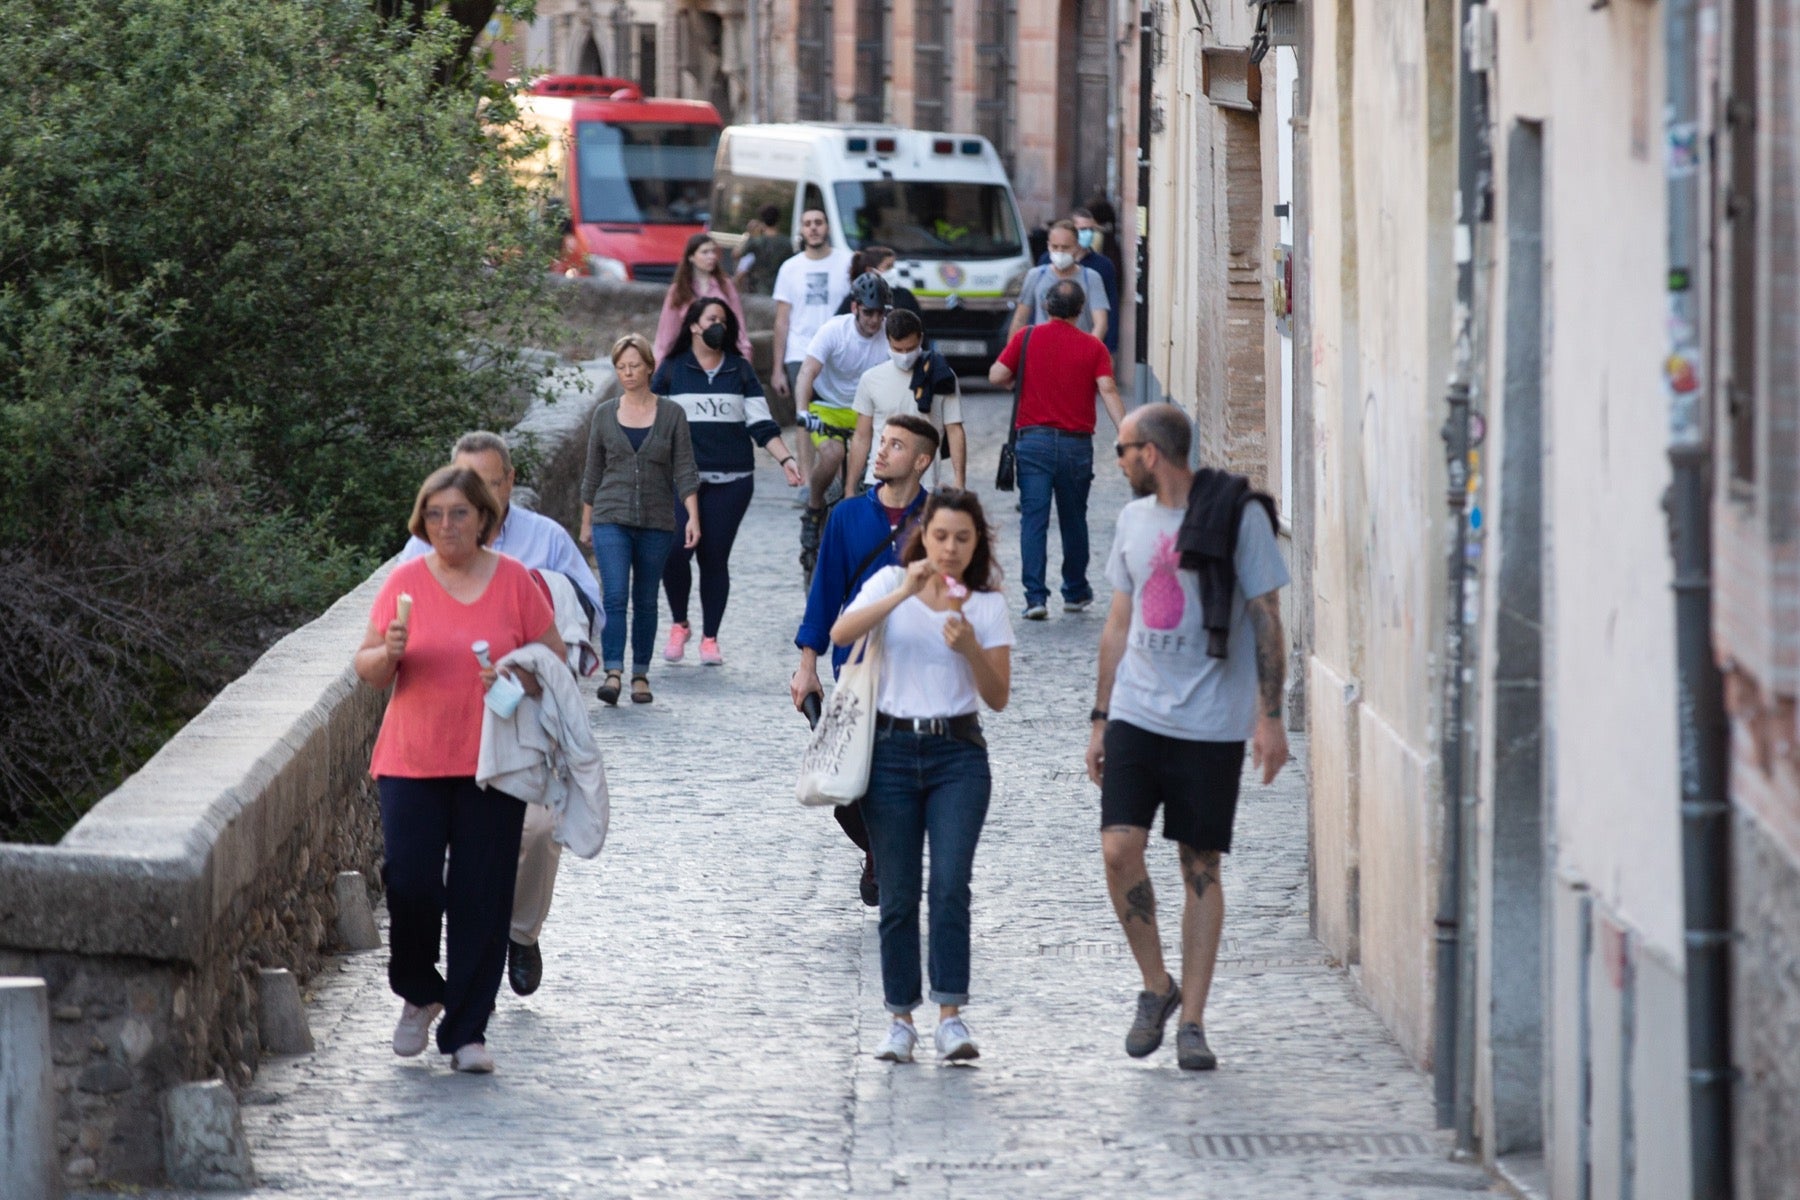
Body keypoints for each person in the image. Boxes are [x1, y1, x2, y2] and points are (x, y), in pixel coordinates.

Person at [1084, 404, 1290, 1072]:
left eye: (1121, 449)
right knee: (1120, 849)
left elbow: (1265, 615)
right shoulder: (1132, 521)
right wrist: (1099, 715)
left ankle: (1193, 1022)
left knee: (1200, 866)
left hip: (1211, 723)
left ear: (1150, 453)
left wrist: (1270, 716)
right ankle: (1157, 985)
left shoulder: (1239, 516)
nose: (1116, 461)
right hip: (1139, 714)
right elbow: (1118, 620)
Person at [354, 465, 566, 1074]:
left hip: (493, 764)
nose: (446, 525)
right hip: (412, 758)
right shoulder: (406, 582)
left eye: (459, 514)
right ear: (423, 521)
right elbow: (366, 668)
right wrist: (388, 653)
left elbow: (552, 663)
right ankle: (421, 990)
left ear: (485, 520)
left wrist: (515, 676)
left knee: (482, 895)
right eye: (435, 515)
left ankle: (468, 1030)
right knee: (411, 884)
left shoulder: (516, 583)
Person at [397, 432, 599, 999]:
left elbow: (585, 613)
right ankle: (449, 989)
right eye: (460, 481)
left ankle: (521, 932)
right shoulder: (425, 545)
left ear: (508, 482)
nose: (470, 494)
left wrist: (536, 626)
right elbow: (396, 613)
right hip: (446, 722)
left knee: (536, 830)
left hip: (525, 716)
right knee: (444, 852)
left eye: (484, 481)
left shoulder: (544, 542)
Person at [829, 489, 1013, 1064]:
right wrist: (904, 591)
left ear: (977, 541)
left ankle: (951, 1018)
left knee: (951, 885)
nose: (951, 548)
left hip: (957, 755)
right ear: (923, 535)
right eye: (941, 536)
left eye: (963, 537)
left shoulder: (984, 603)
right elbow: (841, 633)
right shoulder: (890, 584)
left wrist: (971, 649)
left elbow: (998, 696)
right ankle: (900, 1019)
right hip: (889, 752)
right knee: (899, 892)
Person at [791, 414, 940, 906]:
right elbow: (825, 593)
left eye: (895, 446)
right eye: (882, 443)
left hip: (920, 673)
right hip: (855, 667)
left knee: (899, 775)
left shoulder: (939, 521)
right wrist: (807, 663)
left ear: (921, 461)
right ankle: (881, 849)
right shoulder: (847, 517)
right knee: (850, 783)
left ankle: (887, 854)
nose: (880, 452)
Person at [656, 297, 805, 664]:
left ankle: (710, 638)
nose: (717, 325)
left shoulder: (739, 370)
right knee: (675, 551)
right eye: (711, 319)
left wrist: (786, 459)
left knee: (713, 557)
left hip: (732, 481)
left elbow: (761, 423)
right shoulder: (673, 370)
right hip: (680, 480)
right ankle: (679, 623)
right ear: (693, 325)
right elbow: (649, 419)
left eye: (723, 320)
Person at [989, 279, 1127, 620]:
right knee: (1074, 519)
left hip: (1032, 442)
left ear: (1047, 307)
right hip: (1075, 446)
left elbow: (995, 375)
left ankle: (1035, 598)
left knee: (1033, 521)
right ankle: (1075, 591)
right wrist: (1127, 432)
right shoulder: (1094, 347)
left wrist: (1013, 377)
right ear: (1080, 312)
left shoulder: (1026, 338)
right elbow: (1107, 388)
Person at [580, 334, 701, 706]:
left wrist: (692, 516)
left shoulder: (672, 414)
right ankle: (613, 671)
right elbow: (592, 471)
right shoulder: (604, 414)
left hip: (657, 518)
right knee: (615, 596)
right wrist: (586, 521)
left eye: (634, 366)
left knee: (646, 599)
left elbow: (685, 469)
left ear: (649, 366)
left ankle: (640, 674)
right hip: (610, 515)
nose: (628, 373)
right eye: (621, 368)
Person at [796, 273, 894, 575]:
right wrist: (802, 411)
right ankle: (814, 509)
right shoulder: (833, 331)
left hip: (865, 409)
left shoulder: (889, 334)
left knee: (876, 467)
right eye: (868, 312)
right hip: (826, 406)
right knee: (832, 454)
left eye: (880, 313)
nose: (875, 321)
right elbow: (806, 373)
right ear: (855, 308)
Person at [846, 309, 965, 494]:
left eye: (910, 349)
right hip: (878, 481)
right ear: (888, 341)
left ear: (920, 339)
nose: (905, 355)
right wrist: (850, 488)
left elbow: (954, 429)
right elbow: (861, 436)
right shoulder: (871, 379)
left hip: (923, 482)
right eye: (898, 349)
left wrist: (960, 481)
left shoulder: (942, 377)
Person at [770, 207, 854, 409]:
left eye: (818, 222)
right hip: (800, 352)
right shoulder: (789, 268)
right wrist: (777, 369)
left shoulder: (848, 262)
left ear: (828, 227)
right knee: (804, 417)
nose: (813, 228)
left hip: (839, 353)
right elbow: (782, 321)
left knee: (840, 415)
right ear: (801, 230)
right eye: (807, 224)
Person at [654, 233, 752, 361]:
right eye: (705, 252)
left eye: (713, 252)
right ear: (691, 257)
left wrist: (745, 356)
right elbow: (666, 334)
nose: (711, 256)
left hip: (722, 357)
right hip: (689, 359)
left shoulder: (725, 286)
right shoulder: (678, 290)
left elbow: (739, 326)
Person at [1036, 208, 1121, 356]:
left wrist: (1107, 348)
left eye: (1090, 229)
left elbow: (1110, 309)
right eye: (1082, 229)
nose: (1087, 233)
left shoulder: (1103, 266)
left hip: (1085, 343)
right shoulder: (1046, 262)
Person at [1010, 219, 1110, 343]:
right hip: (1043, 352)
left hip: (1076, 352)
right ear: (1048, 245)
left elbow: (1101, 324)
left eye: (1065, 247)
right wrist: (1012, 356)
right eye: (1055, 247)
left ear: (1077, 247)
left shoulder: (1091, 278)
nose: (1060, 252)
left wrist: (1087, 352)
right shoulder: (1035, 276)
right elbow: (1020, 319)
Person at [833, 245, 922, 318]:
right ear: (870, 271)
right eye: (888, 267)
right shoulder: (855, 298)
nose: (893, 271)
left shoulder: (904, 296)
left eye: (893, 266)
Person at [733, 203, 793, 296]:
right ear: (778, 220)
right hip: (779, 289)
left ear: (762, 221)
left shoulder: (756, 241)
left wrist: (749, 235)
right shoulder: (786, 242)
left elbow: (736, 254)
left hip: (757, 289)